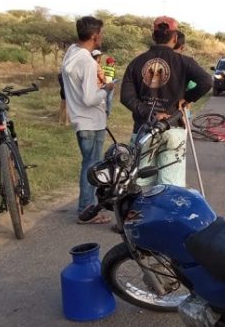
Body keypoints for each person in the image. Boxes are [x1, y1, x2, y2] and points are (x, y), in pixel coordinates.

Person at [120, 16, 212, 188]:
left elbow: (126, 97)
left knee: (141, 186)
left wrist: (151, 114)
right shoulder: (184, 62)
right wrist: (187, 98)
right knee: (171, 187)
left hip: (144, 130)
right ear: (175, 38)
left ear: (153, 36)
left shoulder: (137, 62)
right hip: (173, 127)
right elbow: (207, 81)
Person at [61, 16, 114, 224]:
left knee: (88, 165)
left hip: (80, 121)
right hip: (91, 122)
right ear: (94, 36)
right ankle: (86, 210)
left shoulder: (71, 54)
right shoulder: (87, 62)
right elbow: (90, 98)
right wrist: (107, 90)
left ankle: (86, 206)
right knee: (91, 168)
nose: (101, 37)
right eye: (100, 33)